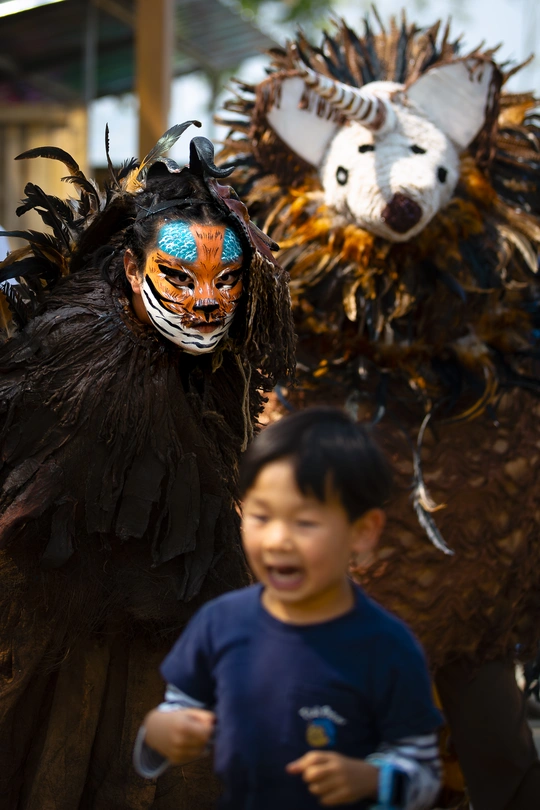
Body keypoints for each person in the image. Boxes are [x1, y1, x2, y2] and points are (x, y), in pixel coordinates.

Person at [0, 126, 295, 809]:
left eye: (227, 282)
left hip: (167, 616)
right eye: (180, 277)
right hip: (51, 607)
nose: (205, 302)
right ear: (133, 270)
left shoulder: (223, 362)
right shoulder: (74, 354)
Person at [134, 407, 442, 810]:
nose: (278, 540)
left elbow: (423, 772)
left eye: (305, 522)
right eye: (262, 516)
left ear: (362, 532)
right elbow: (182, 711)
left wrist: (371, 778)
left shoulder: (388, 647)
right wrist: (159, 732)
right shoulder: (220, 624)